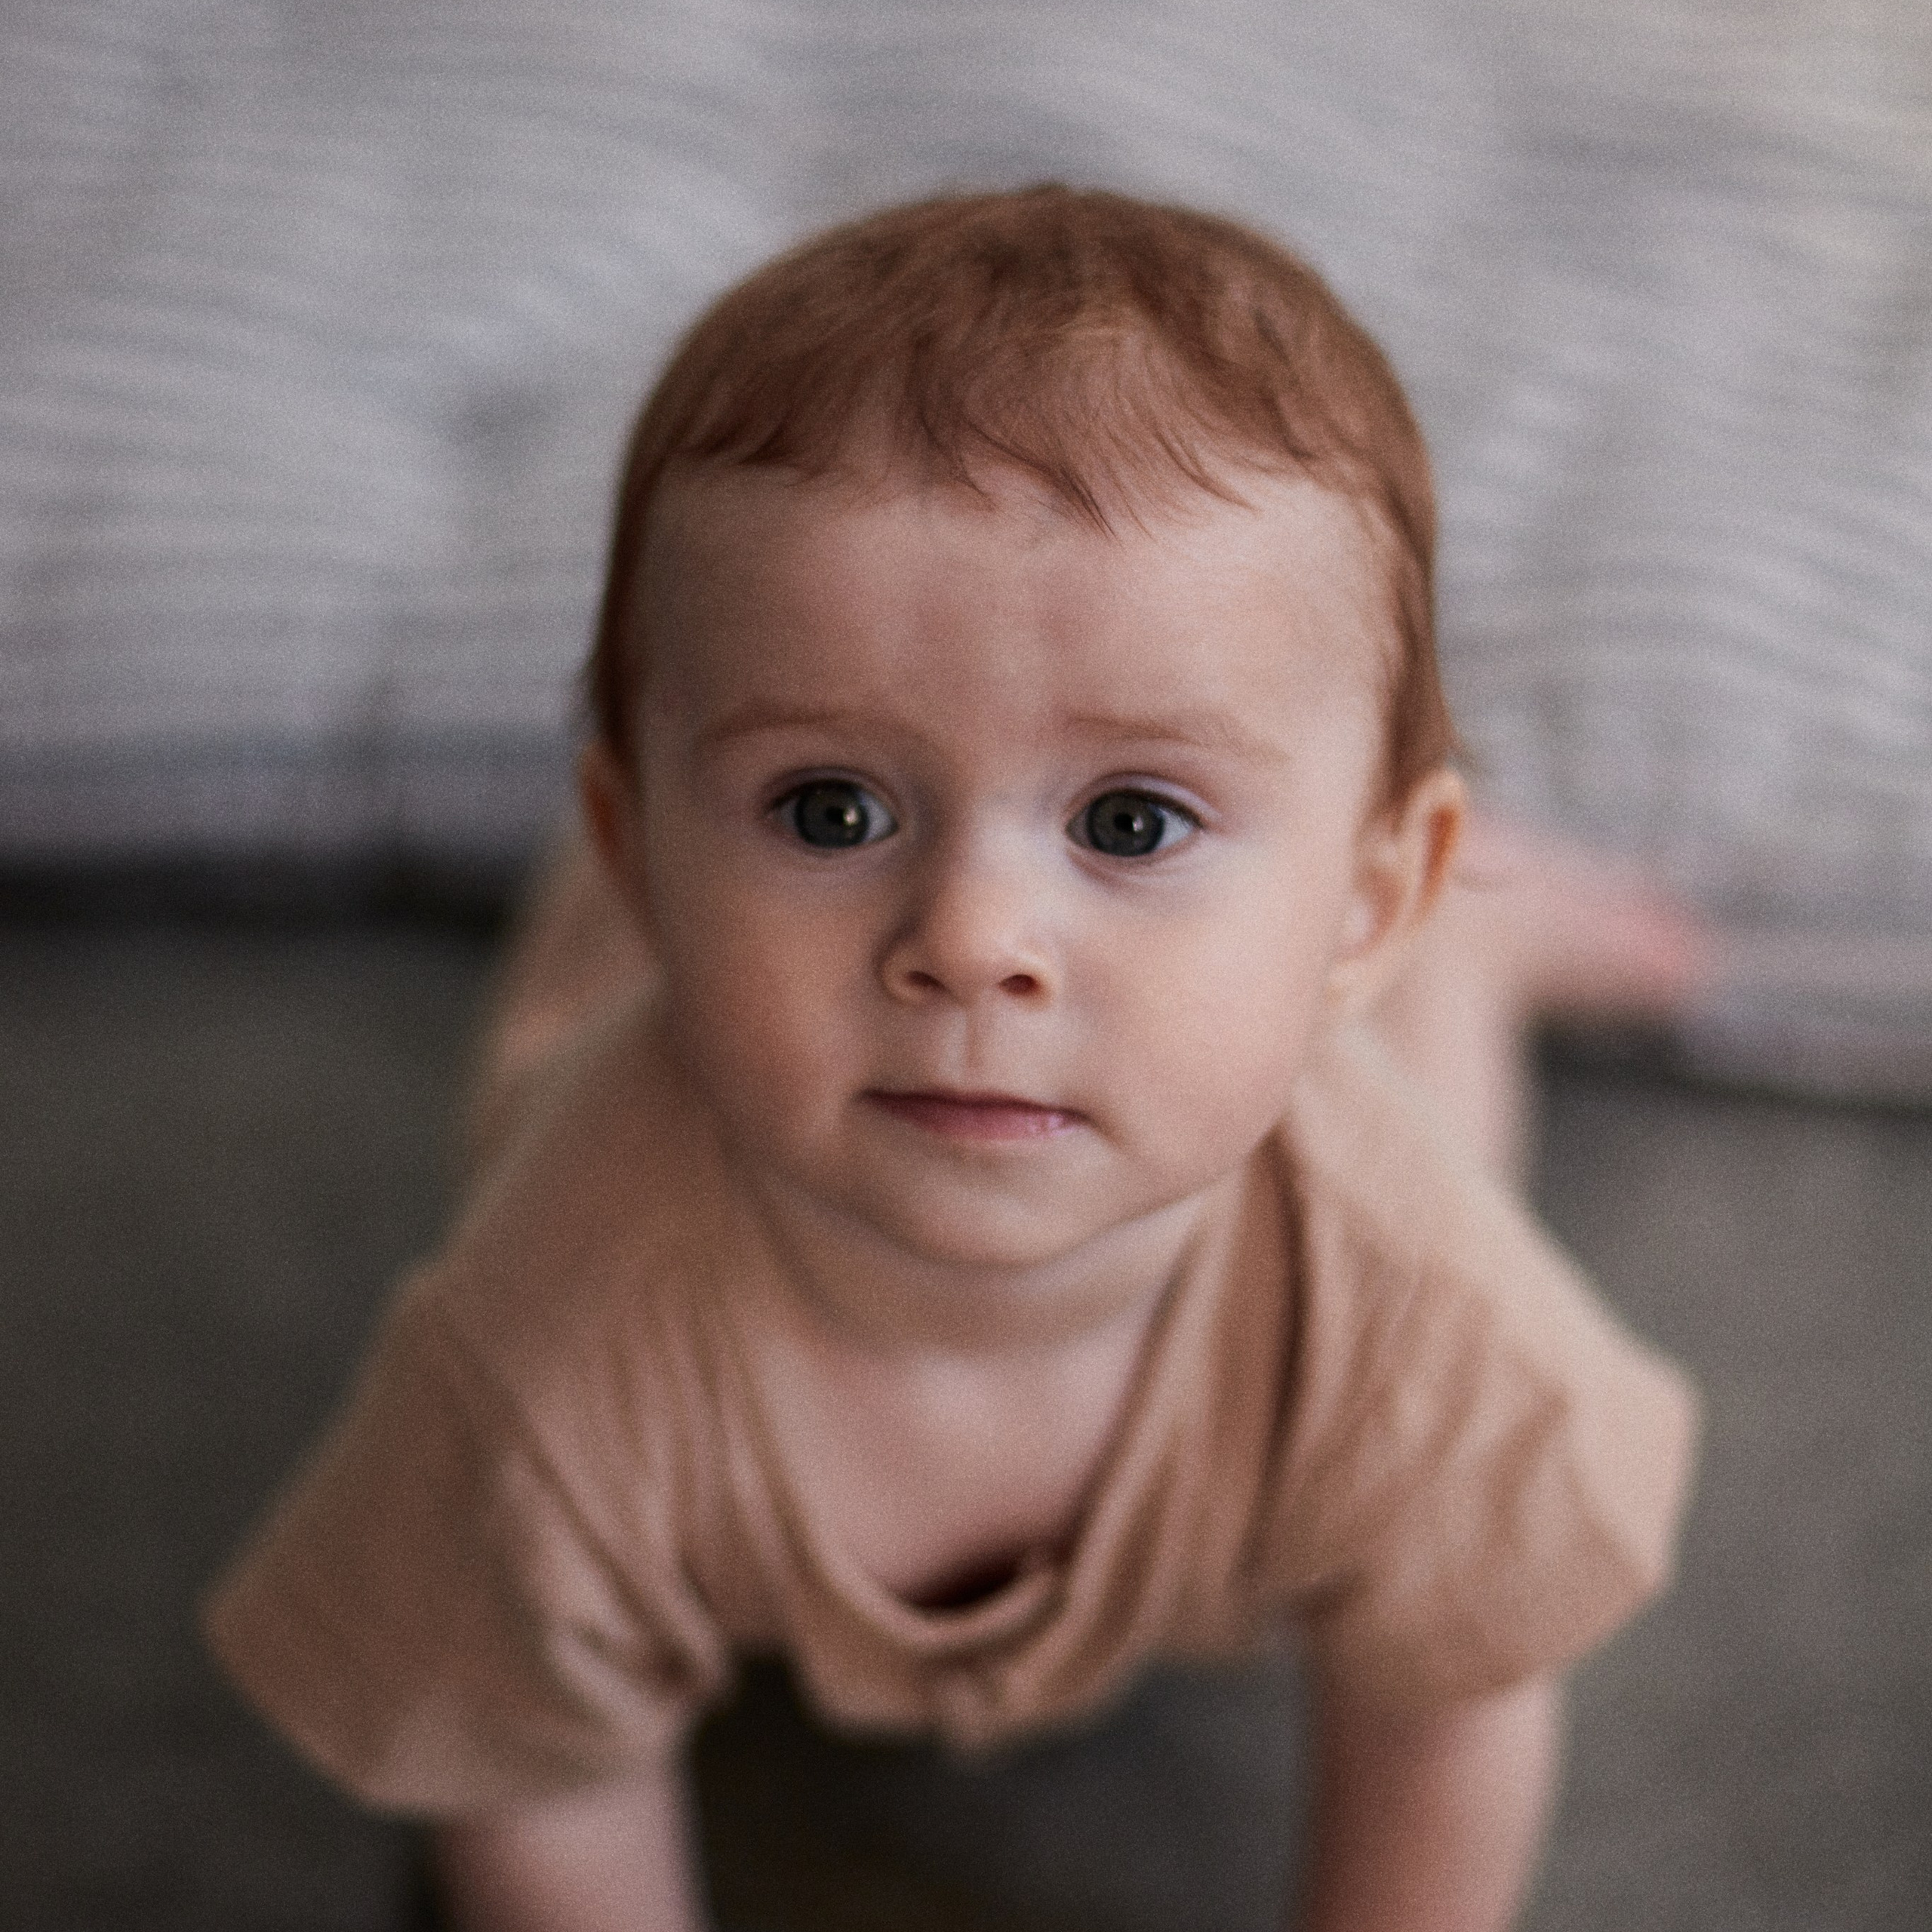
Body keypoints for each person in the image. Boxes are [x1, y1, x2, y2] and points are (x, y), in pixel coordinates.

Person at [205, 186, 1700, 1932]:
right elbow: (531, 1773)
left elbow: (1452, 1706)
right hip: (649, 996)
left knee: (1429, 1135)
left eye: (1130, 817)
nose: (972, 933)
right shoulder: (545, 1360)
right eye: (830, 803)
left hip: (1311, 1115)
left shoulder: (1402, 1307)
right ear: (635, 840)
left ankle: (1479, 944)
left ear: (1370, 895)